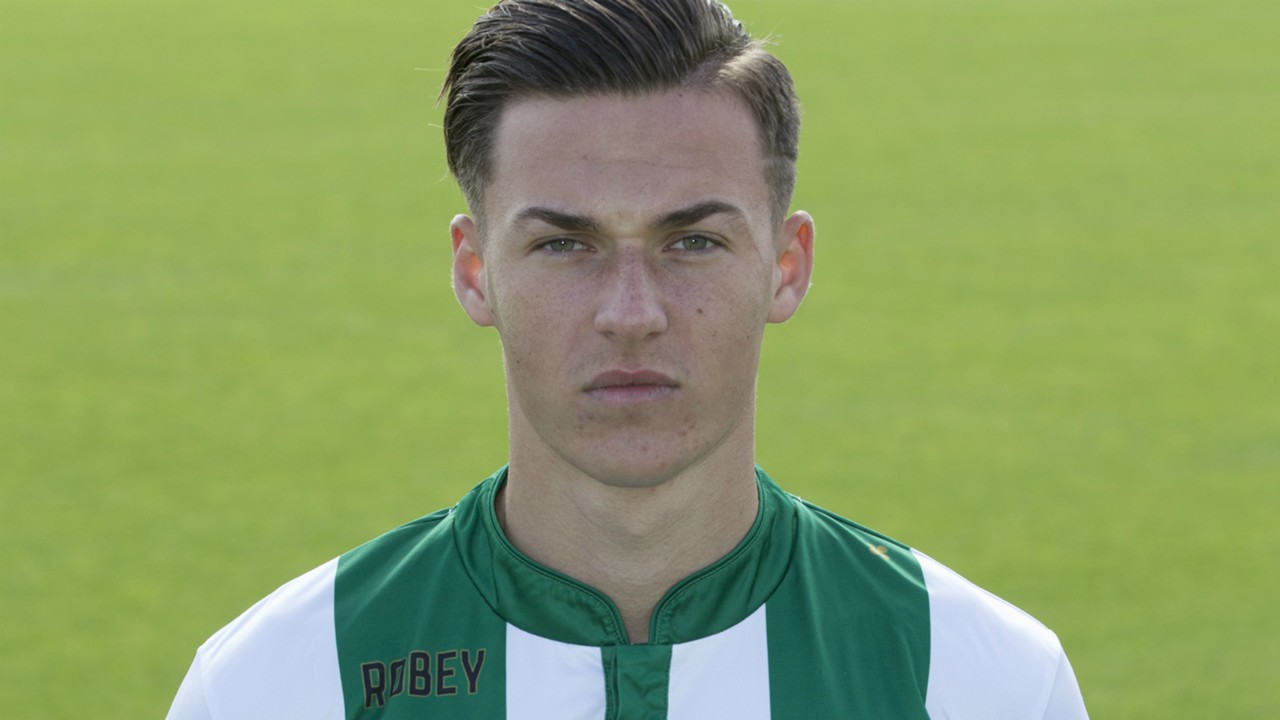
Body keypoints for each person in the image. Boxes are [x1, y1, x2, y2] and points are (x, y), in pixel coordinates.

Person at [166, 0, 1089, 717]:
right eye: (565, 245)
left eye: (693, 242)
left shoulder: (987, 685)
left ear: (787, 266)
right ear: (476, 272)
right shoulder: (275, 688)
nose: (631, 314)